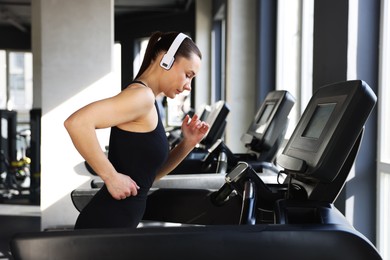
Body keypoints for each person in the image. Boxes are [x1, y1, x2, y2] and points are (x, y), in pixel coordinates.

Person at [64, 31, 209, 229]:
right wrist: (110, 176)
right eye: (188, 75)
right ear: (165, 60)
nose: (188, 86)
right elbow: (77, 123)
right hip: (106, 223)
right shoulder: (142, 97)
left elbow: (149, 176)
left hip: (117, 222)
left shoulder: (151, 101)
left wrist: (188, 143)